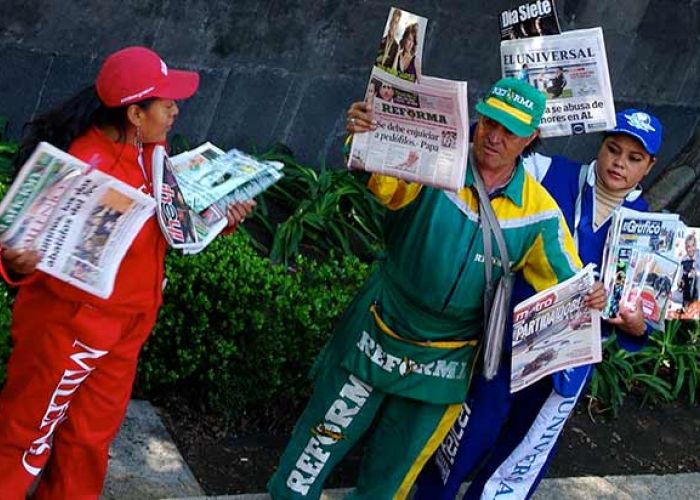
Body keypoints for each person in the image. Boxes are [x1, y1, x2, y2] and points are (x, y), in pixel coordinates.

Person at [267, 78, 602, 500]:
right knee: (319, 442)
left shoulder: (539, 212)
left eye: (509, 131)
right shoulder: (436, 160)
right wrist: (367, 140)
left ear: (530, 138)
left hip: (446, 361)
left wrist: (595, 297)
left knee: (393, 474)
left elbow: (570, 281)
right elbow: (386, 186)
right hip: (380, 325)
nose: (494, 137)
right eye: (489, 123)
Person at [0, 46, 256, 499]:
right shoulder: (84, 161)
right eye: (166, 103)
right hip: (68, 330)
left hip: (126, 328)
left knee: (89, 442)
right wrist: (15, 261)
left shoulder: (151, 149)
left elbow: (171, 229)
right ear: (135, 113)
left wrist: (222, 218)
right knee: (26, 440)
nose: (176, 110)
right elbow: (16, 245)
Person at [414, 108, 663, 500]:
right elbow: (499, 149)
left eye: (634, 159)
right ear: (600, 146)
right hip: (507, 343)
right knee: (465, 437)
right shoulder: (548, 171)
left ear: (649, 167)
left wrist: (631, 322)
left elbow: (641, 322)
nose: (619, 163)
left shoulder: (650, 229)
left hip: (567, 364)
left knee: (521, 455)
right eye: (613, 149)